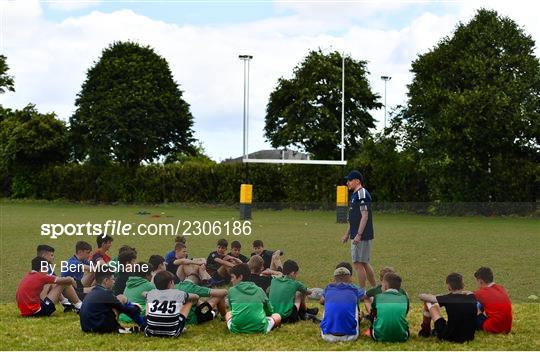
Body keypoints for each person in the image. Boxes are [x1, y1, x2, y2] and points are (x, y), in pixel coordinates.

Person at [79, 266, 145, 333]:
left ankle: (138, 326)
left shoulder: (93, 292)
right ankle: (143, 325)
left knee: (120, 298)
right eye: (113, 279)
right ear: (106, 281)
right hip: (99, 328)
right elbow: (124, 309)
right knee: (122, 301)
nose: (114, 282)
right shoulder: (106, 293)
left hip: (86, 327)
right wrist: (137, 308)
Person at [340, 170, 376, 289]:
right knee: (364, 262)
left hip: (362, 235)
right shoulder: (355, 194)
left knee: (358, 264)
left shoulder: (362, 194)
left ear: (357, 181)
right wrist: (347, 234)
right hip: (357, 233)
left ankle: (362, 292)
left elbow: (364, 215)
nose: (347, 183)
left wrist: (359, 234)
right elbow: (354, 218)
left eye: (350, 180)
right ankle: (375, 288)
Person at [418, 272, 477, 343]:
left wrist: (431, 296)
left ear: (449, 286)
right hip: (469, 336)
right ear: (463, 285)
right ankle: (426, 330)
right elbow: (468, 292)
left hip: (450, 336)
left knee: (429, 302)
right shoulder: (472, 297)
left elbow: (422, 296)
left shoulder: (448, 298)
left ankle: (425, 330)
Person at [16, 257, 83, 317]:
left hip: (25, 312)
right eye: (46, 268)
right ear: (42, 268)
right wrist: (71, 280)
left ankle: (67, 304)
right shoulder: (41, 277)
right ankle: (80, 306)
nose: (48, 271)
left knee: (52, 283)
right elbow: (65, 280)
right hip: (37, 312)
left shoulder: (28, 276)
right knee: (64, 283)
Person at [226, 264, 281, 334]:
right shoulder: (259, 290)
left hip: (237, 329)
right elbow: (269, 311)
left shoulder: (231, 291)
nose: (231, 280)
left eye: (232, 277)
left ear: (240, 277)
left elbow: (233, 311)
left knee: (228, 313)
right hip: (260, 328)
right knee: (277, 316)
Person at [145, 271, 199, 338]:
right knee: (189, 301)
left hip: (150, 332)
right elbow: (196, 296)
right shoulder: (179, 293)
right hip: (172, 332)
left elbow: (144, 294)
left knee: (148, 301)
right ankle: (178, 325)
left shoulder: (151, 293)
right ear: (170, 282)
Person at [320, 267, 365, 342]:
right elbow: (364, 296)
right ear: (350, 278)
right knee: (355, 305)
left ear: (334, 279)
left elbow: (321, 301)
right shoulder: (354, 289)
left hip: (327, 336)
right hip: (350, 336)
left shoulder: (328, 288)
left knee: (327, 304)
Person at [370, 273, 409, 342]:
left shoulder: (378, 297)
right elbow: (405, 314)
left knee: (374, 319)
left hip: (378, 336)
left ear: (385, 285)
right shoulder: (405, 298)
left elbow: (373, 313)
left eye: (381, 285)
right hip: (402, 337)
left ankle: (380, 330)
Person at [473, 266, 512, 334]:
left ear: (480, 281)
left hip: (493, 327)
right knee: (480, 303)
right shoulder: (501, 288)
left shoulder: (482, 292)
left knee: (471, 305)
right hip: (507, 327)